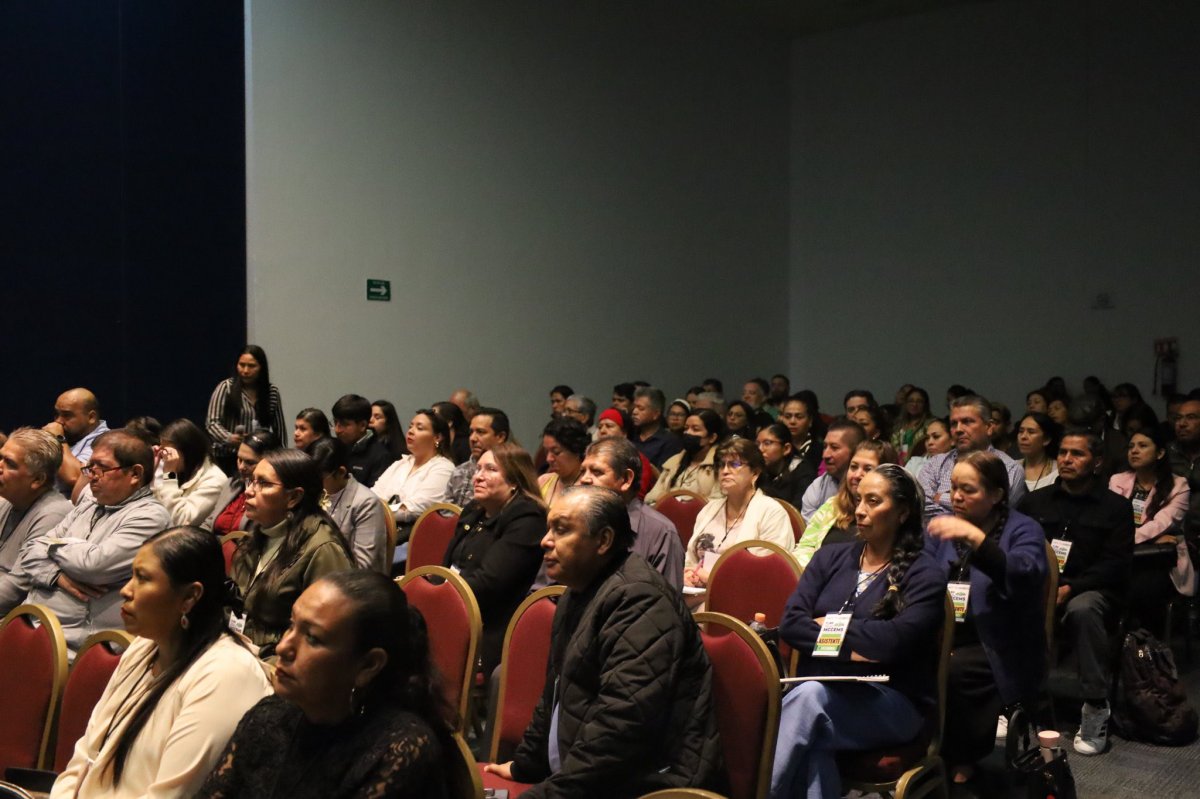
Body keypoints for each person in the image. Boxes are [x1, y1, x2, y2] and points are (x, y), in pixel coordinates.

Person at [483, 487, 721, 796]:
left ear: (604, 540)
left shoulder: (640, 599)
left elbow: (621, 725)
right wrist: (525, 765)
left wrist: (547, 794)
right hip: (587, 780)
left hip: (648, 786)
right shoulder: (579, 590)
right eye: (549, 528)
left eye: (561, 529)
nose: (545, 540)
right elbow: (556, 692)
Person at [51, 527, 272, 798]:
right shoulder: (144, 647)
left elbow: (171, 795)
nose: (126, 591)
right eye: (132, 576)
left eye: (143, 578)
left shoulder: (228, 674)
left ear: (189, 597)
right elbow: (85, 755)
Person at [770, 466, 947, 799]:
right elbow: (791, 624)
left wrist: (828, 625)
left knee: (807, 700)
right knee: (813, 739)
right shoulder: (829, 557)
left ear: (902, 512)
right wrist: (856, 648)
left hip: (894, 703)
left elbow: (894, 642)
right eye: (858, 499)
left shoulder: (924, 574)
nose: (860, 510)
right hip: (823, 694)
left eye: (873, 501)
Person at [197, 571, 454, 798]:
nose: (282, 647)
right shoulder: (269, 716)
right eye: (291, 625)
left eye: (312, 638)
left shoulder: (399, 750)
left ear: (367, 665)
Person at [927, 452, 1048, 785]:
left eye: (968, 490)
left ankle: (960, 757)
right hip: (943, 632)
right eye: (953, 488)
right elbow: (920, 572)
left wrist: (976, 540)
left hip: (998, 640)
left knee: (955, 670)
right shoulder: (941, 527)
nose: (956, 497)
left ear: (996, 495)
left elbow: (1024, 574)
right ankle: (917, 748)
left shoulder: (1023, 529)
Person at [1019, 429, 1134, 755]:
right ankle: (1010, 699)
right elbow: (1019, 548)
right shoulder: (1035, 501)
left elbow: (1115, 564)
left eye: (1077, 454)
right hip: (1041, 586)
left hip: (1091, 589)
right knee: (1005, 600)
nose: (1067, 459)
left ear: (1097, 462)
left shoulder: (1115, 507)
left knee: (1083, 609)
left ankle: (1095, 704)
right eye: (1063, 453)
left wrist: (1071, 588)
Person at [7, 431, 170, 650]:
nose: (92, 476)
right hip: (31, 623)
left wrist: (52, 544)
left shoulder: (149, 517)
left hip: (75, 645)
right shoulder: (90, 504)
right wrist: (55, 575)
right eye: (90, 467)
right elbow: (29, 551)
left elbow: (94, 566)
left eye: (101, 468)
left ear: (135, 474)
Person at [229, 449, 353, 655]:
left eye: (264, 483)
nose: (249, 491)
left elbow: (327, 637)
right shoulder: (257, 535)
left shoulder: (323, 549)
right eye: (251, 481)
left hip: (280, 661)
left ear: (293, 497)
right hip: (239, 650)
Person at [444, 443, 547, 675]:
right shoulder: (474, 510)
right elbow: (447, 564)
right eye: (478, 469)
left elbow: (489, 584)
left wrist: (440, 598)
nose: (478, 477)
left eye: (490, 469)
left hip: (491, 625)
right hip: (456, 606)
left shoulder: (528, 519)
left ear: (514, 481)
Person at [684, 438, 793, 589]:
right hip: (697, 591)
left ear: (755, 473)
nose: (725, 471)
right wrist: (689, 574)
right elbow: (690, 560)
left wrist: (713, 580)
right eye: (721, 465)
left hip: (743, 595)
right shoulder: (709, 509)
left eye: (734, 464)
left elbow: (769, 574)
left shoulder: (772, 513)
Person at [1109, 427, 1192, 624]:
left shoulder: (1179, 485)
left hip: (1159, 560)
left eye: (1142, 446)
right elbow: (1110, 520)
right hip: (1122, 555)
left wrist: (1123, 539)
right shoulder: (1117, 480)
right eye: (1131, 446)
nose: (1134, 451)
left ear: (1160, 453)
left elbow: (1161, 523)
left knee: (1144, 585)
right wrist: (1152, 540)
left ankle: (1141, 637)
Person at [579, 437, 685, 589]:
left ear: (626, 479)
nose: (584, 479)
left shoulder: (661, 533)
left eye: (597, 472)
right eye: (582, 471)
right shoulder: (575, 522)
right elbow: (549, 589)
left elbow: (667, 599)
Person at [0, 429, 72, 612]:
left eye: (9, 464)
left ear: (38, 480)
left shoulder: (54, 514)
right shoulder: (7, 501)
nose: (0, 466)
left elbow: (16, 588)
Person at [918, 396, 1025, 519]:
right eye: (954, 424)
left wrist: (941, 498)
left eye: (967, 421)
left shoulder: (1010, 469)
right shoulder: (934, 464)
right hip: (936, 531)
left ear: (989, 427)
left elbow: (995, 513)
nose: (958, 429)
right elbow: (923, 508)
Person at [794, 440, 897, 567]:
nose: (857, 475)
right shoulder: (832, 505)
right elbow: (806, 547)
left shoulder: (888, 516)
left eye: (868, 469)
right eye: (853, 467)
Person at [372, 410, 455, 547]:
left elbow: (415, 509)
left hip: (414, 540)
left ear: (437, 437)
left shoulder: (444, 468)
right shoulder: (401, 463)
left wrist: (375, 510)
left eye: (419, 428)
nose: (410, 431)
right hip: (381, 530)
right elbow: (373, 496)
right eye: (410, 426)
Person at [308, 437, 390, 574]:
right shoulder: (314, 494)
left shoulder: (366, 503)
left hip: (351, 581)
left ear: (341, 472)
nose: (313, 483)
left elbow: (364, 566)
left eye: (319, 478)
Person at [205, 346, 286, 474]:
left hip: (258, 458)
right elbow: (212, 423)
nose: (245, 370)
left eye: (251, 366)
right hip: (226, 458)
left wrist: (282, 457)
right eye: (242, 365)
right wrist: (229, 438)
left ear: (261, 368)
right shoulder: (226, 388)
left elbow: (279, 430)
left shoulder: (272, 392)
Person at [199, 430, 280, 537]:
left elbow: (256, 537)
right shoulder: (231, 483)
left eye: (250, 462)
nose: (241, 467)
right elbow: (209, 523)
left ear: (269, 462)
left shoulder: (270, 495)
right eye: (239, 459)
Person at [153, 419, 227, 527]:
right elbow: (155, 509)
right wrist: (151, 473)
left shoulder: (215, 480)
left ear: (187, 451)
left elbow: (181, 521)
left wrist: (169, 475)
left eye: (169, 452)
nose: (165, 457)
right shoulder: (182, 470)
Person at [645, 409, 725, 504]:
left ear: (712, 438)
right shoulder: (674, 462)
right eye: (686, 428)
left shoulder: (721, 465)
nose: (688, 433)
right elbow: (651, 498)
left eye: (695, 429)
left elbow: (719, 501)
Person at [43, 387, 109, 494]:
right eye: (57, 414)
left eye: (67, 415)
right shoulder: (72, 436)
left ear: (91, 417)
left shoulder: (107, 441)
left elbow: (74, 478)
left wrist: (58, 439)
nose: (58, 421)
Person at [800, 419, 867, 522]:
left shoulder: (872, 488)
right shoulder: (817, 487)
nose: (825, 455)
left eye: (834, 448)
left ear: (855, 451)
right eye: (825, 447)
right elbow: (812, 529)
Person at [446, 407, 510, 507]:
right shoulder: (459, 471)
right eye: (471, 432)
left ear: (500, 437)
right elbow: (445, 511)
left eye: (481, 432)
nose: (472, 438)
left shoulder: (512, 471)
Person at [333, 394, 399, 488]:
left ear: (362, 425)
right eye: (335, 422)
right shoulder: (335, 447)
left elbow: (374, 495)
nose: (337, 430)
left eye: (344, 424)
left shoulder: (381, 456)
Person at [757, 422, 815, 509]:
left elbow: (798, 512)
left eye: (767, 443)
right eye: (758, 444)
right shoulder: (758, 470)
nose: (760, 449)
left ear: (786, 448)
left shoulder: (804, 473)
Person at [537, 417, 590, 506]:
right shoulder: (543, 481)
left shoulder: (589, 487)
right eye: (546, 452)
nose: (549, 459)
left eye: (556, 452)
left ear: (576, 451)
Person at [631, 386, 684, 468]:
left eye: (641, 408)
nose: (634, 412)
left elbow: (665, 474)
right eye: (634, 407)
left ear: (656, 414)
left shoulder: (670, 442)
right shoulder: (630, 435)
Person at [1016, 412, 1061, 491]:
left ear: (1046, 439)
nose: (1023, 436)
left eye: (1031, 432)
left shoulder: (1059, 470)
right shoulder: (1011, 468)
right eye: (1021, 431)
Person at [779, 394, 824, 471]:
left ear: (810, 421)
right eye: (787, 416)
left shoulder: (820, 450)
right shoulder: (775, 447)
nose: (792, 421)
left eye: (799, 417)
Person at [890, 386, 932, 465]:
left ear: (925, 405)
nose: (914, 404)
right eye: (911, 401)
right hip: (897, 465)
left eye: (919, 401)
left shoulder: (930, 425)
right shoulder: (898, 425)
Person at [432, 401, 471, 466]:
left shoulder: (465, 445)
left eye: (435, 417)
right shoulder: (435, 441)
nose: (430, 420)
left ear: (449, 422)